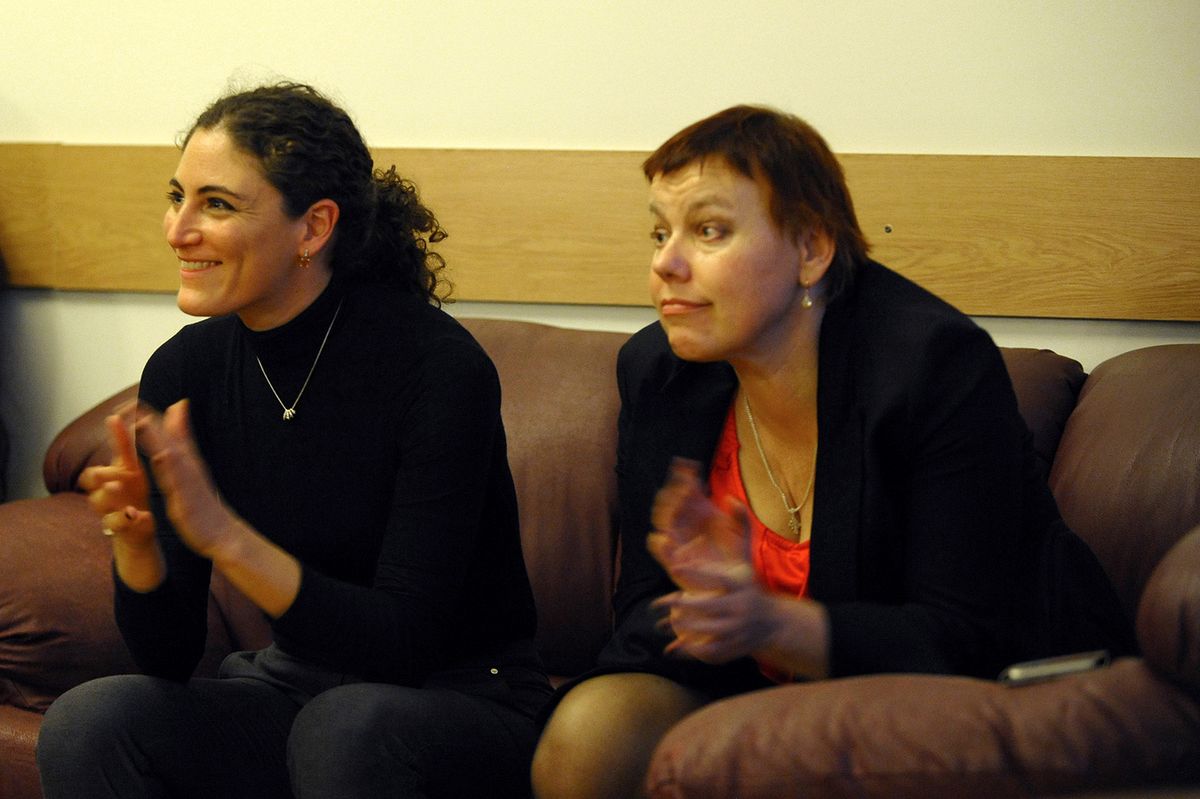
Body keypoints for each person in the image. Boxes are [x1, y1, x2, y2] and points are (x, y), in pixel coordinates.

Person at [530, 105, 1135, 799]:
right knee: (595, 731)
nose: (665, 263)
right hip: (748, 690)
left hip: (975, 705)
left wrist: (772, 623)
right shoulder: (662, 373)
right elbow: (642, 608)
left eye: (708, 230)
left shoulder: (932, 368)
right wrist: (708, 605)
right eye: (660, 232)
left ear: (811, 249)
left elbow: (961, 638)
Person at [36, 81, 552, 799]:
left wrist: (226, 539)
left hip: (461, 695)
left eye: (217, 204)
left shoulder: (435, 368)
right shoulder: (186, 371)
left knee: (343, 728)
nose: (178, 230)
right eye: (178, 197)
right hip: (296, 687)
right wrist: (138, 546)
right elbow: (168, 657)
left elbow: (405, 641)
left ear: (313, 228)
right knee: (93, 721)